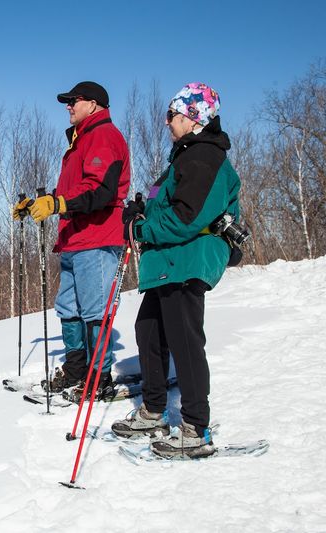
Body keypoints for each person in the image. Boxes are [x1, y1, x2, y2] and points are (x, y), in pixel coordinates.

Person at [110, 82, 242, 459]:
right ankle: (154, 411)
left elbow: (187, 216)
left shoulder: (203, 157)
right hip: (169, 262)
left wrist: (142, 228)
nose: (166, 122)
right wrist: (138, 212)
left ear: (192, 117)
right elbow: (160, 202)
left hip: (187, 258)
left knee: (184, 340)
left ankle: (195, 427)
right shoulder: (184, 157)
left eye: (171, 115)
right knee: (149, 331)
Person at [13, 81, 131, 397]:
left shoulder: (103, 137)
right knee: (69, 307)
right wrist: (40, 204)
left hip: (98, 237)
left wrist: (59, 203)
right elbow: (72, 193)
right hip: (74, 239)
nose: (68, 106)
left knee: (94, 309)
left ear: (93, 104)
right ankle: (77, 370)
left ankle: (99, 376)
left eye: (73, 101)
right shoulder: (80, 142)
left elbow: (100, 191)